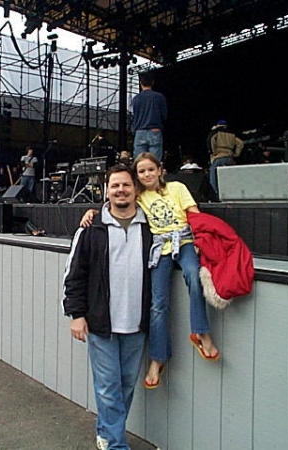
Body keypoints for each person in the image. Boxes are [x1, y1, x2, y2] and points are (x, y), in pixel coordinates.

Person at [81, 153, 219, 390]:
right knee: (158, 304)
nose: (146, 175)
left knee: (194, 277)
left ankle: (200, 332)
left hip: (184, 242)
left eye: (150, 170)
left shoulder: (177, 188)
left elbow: (194, 214)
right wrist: (92, 212)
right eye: (141, 172)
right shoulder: (140, 196)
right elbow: (115, 205)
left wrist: (202, 238)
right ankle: (158, 358)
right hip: (160, 248)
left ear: (160, 170)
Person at [62, 165, 152, 450]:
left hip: (137, 324)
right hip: (101, 323)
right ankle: (115, 444)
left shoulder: (151, 227)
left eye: (126, 185)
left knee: (125, 385)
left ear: (135, 189)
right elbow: (74, 274)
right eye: (115, 186)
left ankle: (105, 431)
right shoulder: (91, 229)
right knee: (108, 388)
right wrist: (76, 315)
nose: (121, 190)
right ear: (106, 191)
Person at [131, 72, 167, 161]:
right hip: (155, 130)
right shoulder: (159, 97)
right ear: (153, 82)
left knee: (140, 162)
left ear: (140, 83)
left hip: (140, 131)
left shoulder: (135, 99)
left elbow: (133, 117)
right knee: (155, 161)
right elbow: (164, 115)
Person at [207, 120, 244, 198]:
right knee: (231, 176)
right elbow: (240, 143)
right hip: (230, 157)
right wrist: (236, 154)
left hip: (219, 157)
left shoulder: (215, 132)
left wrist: (214, 152)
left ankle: (215, 195)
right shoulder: (232, 134)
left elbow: (211, 141)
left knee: (213, 175)